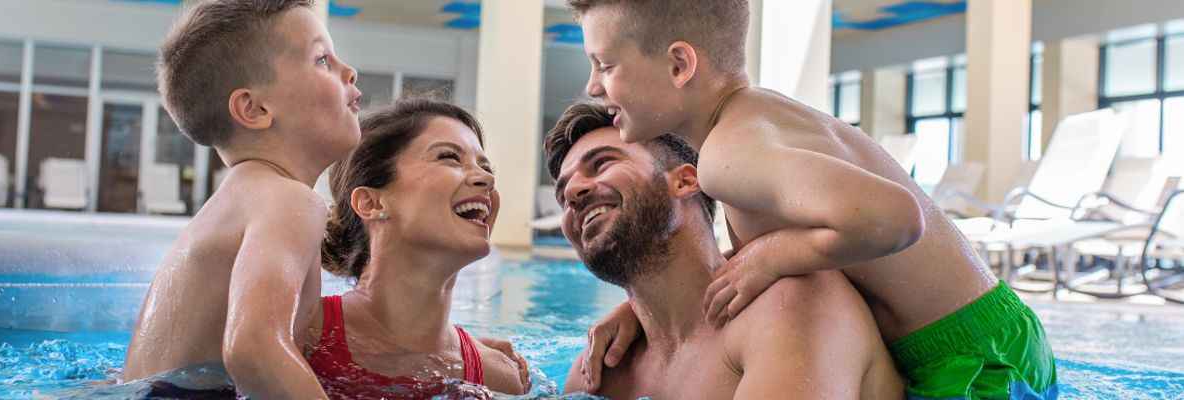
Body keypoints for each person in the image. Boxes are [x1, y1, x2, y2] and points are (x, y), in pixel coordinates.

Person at [567, 1, 1059, 399]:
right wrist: (638, 308)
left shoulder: (729, 153)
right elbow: (797, 240)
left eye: (605, 65)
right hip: (986, 331)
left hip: (969, 356)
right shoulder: (757, 122)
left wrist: (771, 257)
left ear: (679, 65)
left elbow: (897, 219)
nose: (592, 86)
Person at [545, 103, 904, 399]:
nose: (573, 193)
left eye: (603, 163)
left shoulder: (790, 305)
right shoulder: (598, 372)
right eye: (562, 195)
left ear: (685, 180)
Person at [121, 0, 360, 398]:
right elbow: (253, 349)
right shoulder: (289, 200)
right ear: (254, 108)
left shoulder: (246, 198)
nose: (349, 71)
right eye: (322, 59)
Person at [310, 98, 528, 399]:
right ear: (372, 203)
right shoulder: (298, 336)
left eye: (486, 167)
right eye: (449, 157)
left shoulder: (498, 377)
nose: (488, 179)